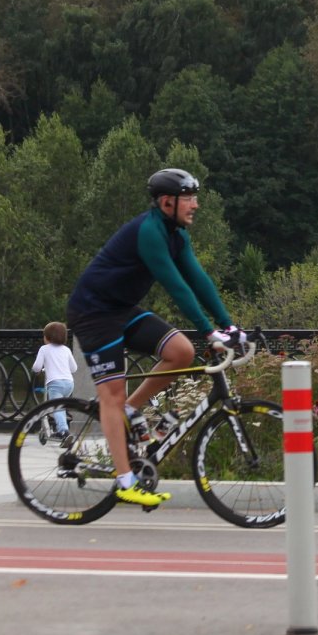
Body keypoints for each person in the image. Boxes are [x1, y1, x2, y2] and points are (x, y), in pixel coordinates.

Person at [66, 168, 248, 507]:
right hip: (93, 313)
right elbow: (176, 286)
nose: (195, 205)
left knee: (181, 352)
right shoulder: (149, 232)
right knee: (111, 394)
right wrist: (209, 331)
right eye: (189, 198)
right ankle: (124, 480)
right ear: (168, 202)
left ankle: (131, 410)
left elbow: (197, 278)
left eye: (196, 197)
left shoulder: (176, 234)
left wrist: (228, 325)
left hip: (121, 309)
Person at [32, 321, 79, 441]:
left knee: (57, 407)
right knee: (60, 407)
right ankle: (61, 429)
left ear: (47, 338)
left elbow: (37, 367)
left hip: (55, 384)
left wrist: (38, 370)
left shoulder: (44, 349)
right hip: (69, 383)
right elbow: (74, 368)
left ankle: (63, 431)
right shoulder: (66, 350)